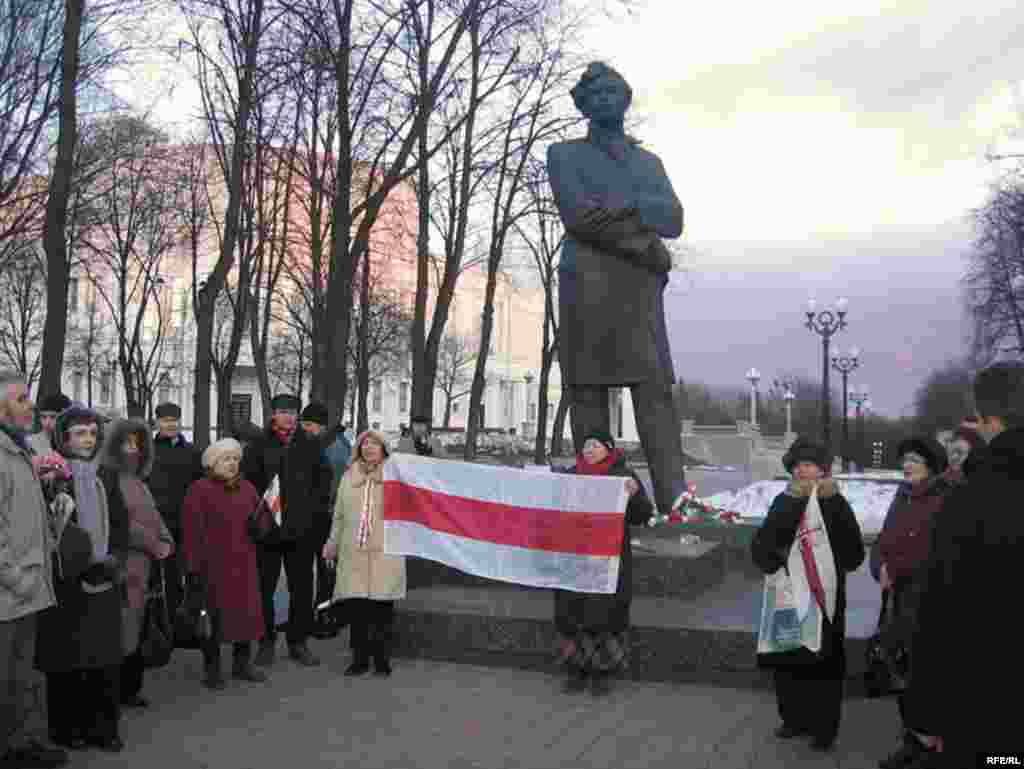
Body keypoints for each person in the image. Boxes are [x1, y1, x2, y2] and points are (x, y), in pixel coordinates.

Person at [547, 62, 687, 517]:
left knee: (655, 396)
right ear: (583, 105)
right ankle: (595, 504)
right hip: (586, 291)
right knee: (588, 394)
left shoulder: (650, 163)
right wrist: (648, 249)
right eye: (596, 94)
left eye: (614, 92)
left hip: (638, 295)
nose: (606, 100)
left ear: (625, 100)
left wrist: (625, 206)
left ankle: (675, 501)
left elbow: (674, 219)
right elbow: (579, 218)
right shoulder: (564, 155)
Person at [903, 362, 1024, 768]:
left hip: (989, 702)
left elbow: (941, 608)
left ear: (990, 420)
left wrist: (924, 710)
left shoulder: (972, 499)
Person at [750, 437, 865, 752]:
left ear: (822, 469)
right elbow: (761, 546)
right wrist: (780, 554)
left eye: (810, 464)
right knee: (789, 657)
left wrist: (824, 559)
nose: (804, 470)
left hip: (823, 594)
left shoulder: (836, 503)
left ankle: (823, 727)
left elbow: (854, 553)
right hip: (788, 591)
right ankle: (794, 719)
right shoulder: (782, 501)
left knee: (824, 662)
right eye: (799, 465)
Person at [34, 406, 125, 753]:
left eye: (91, 433)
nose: (87, 440)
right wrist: (72, 561)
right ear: (64, 438)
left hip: (103, 578)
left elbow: (119, 523)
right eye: (79, 434)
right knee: (68, 660)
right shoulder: (52, 474)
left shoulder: (108, 475)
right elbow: (47, 527)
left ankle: (104, 727)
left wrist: (112, 559)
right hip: (67, 579)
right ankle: (67, 727)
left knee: (103, 659)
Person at [870, 437, 951, 769]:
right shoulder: (900, 497)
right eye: (905, 459)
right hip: (898, 602)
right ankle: (911, 740)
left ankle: (930, 747)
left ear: (930, 466)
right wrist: (880, 567)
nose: (907, 465)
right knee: (902, 674)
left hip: (929, 602)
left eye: (914, 460)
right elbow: (882, 542)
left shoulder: (944, 499)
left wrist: (896, 567)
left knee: (925, 678)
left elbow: (935, 551)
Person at [0, 372, 68, 769]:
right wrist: (15, 578)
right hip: (11, 590)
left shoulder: (18, 452)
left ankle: (21, 745)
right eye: (23, 399)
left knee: (22, 675)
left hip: (26, 587)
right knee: (7, 677)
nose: (30, 406)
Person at [553, 430, 653, 695]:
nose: (589, 449)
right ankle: (576, 669)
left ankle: (602, 672)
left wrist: (634, 495)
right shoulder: (570, 475)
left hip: (607, 558)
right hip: (573, 557)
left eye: (595, 445)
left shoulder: (623, 477)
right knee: (572, 611)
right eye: (585, 445)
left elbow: (643, 514)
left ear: (608, 449)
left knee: (603, 614)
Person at [240, 394, 333, 668]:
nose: (288, 417)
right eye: (282, 412)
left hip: (300, 531)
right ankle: (266, 641)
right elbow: (248, 484)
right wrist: (257, 516)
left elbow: (323, 483)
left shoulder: (310, 444)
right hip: (267, 530)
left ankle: (297, 641)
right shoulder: (258, 445)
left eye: (292, 412)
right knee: (263, 589)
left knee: (302, 589)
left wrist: (312, 515)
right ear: (272, 415)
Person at [100, 418, 174, 711]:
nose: (135, 449)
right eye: (128, 443)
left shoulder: (140, 484)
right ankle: (115, 692)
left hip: (146, 570)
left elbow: (154, 518)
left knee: (138, 629)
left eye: (139, 444)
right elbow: (121, 524)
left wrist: (166, 540)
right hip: (124, 567)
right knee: (123, 631)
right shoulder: (109, 480)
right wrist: (153, 543)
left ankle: (131, 688)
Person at [181, 439, 266, 690]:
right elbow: (192, 531)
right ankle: (213, 669)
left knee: (245, 615)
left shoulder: (248, 488)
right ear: (212, 463)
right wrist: (193, 568)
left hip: (245, 562)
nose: (232, 463)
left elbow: (261, 521)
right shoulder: (199, 489)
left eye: (235, 459)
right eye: (226, 459)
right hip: (212, 566)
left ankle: (242, 664)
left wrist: (259, 526)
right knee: (213, 618)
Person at [323, 431, 404, 677]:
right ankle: (359, 660)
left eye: (375, 443)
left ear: (384, 449)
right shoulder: (348, 478)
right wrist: (332, 543)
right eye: (364, 443)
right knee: (357, 608)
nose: (369, 448)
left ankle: (381, 659)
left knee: (381, 609)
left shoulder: (395, 477)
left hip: (385, 551)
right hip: (353, 552)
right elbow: (338, 514)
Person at [147, 402, 203, 630]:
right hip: (159, 523)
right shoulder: (148, 450)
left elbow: (200, 486)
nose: (170, 424)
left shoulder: (193, 452)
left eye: (174, 420)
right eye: (165, 420)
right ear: (157, 422)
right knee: (166, 576)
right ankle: (167, 623)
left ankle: (190, 622)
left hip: (188, 523)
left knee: (192, 573)